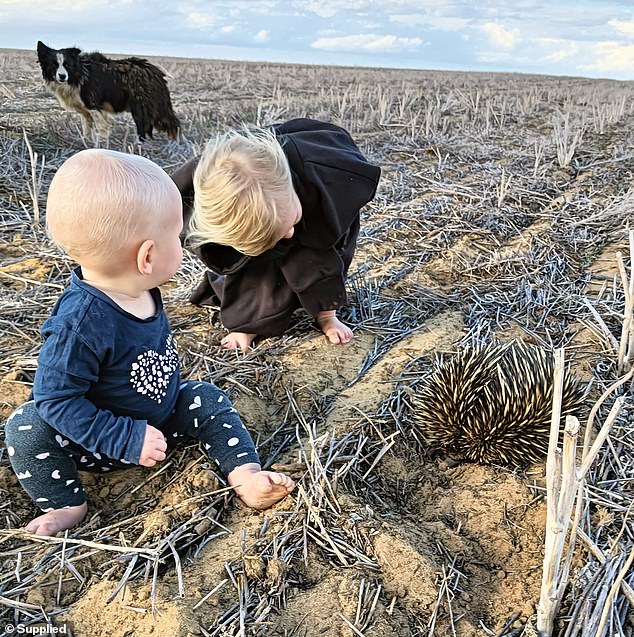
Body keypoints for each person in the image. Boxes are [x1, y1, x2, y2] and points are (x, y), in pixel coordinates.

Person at [3, 149, 294, 537]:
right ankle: (65, 505)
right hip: (96, 441)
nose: (182, 240)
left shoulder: (140, 288)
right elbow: (57, 400)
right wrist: (124, 437)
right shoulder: (80, 324)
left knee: (208, 398)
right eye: (175, 235)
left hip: (160, 418)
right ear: (147, 256)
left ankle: (245, 474)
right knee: (27, 427)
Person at [171, 118, 381, 352]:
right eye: (284, 231)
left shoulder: (325, 167)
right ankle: (247, 322)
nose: (290, 233)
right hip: (266, 214)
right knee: (253, 265)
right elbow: (165, 205)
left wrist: (290, 222)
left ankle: (326, 314)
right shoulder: (201, 184)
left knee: (320, 258)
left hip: (319, 204)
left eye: (291, 222)